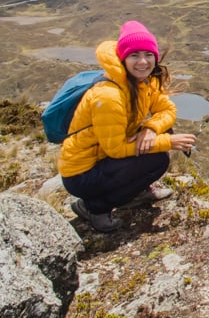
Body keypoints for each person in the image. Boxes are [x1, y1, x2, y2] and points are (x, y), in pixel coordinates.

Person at [58, 21, 196, 232]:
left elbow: (167, 110)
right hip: (82, 174)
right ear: (123, 58)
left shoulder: (144, 82)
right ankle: (93, 208)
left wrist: (150, 129)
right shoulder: (109, 97)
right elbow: (116, 150)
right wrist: (168, 142)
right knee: (158, 158)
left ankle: (135, 192)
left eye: (148, 54)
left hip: (104, 158)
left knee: (162, 135)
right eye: (135, 55)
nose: (143, 62)